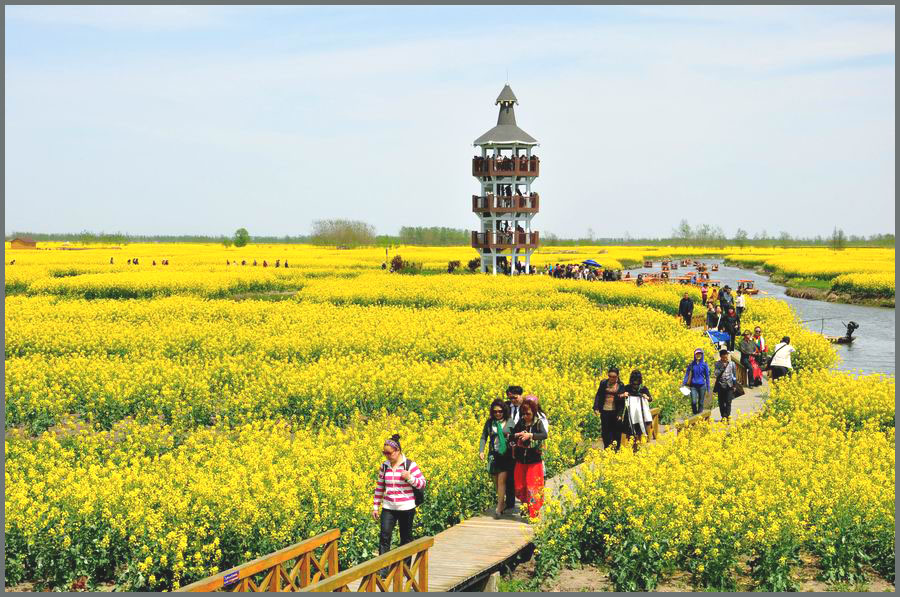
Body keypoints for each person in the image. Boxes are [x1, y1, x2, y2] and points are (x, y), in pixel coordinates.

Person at [372, 434, 426, 571]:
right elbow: (380, 487)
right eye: (384, 453)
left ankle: (405, 569)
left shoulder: (409, 465)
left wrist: (409, 478)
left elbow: (422, 484)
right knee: (384, 537)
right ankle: (383, 570)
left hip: (406, 507)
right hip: (388, 507)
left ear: (397, 451)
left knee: (406, 539)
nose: (386, 456)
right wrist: (375, 506)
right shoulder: (384, 466)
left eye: (389, 453)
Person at [510, 399, 547, 518]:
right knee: (520, 486)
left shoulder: (538, 423)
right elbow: (511, 436)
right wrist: (517, 435)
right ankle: (525, 507)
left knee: (533, 487)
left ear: (534, 412)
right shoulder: (520, 423)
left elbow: (544, 435)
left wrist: (531, 435)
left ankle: (534, 513)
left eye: (528, 414)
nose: (525, 416)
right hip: (521, 460)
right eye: (523, 414)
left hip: (534, 461)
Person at [479, 399, 512, 518]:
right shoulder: (489, 422)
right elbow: (484, 437)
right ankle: (502, 502)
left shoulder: (509, 422)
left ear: (504, 411)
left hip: (505, 454)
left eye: (500, 411)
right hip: (493, 455)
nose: (498, 414)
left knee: (501, 481)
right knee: (496, 481)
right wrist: (481, 451)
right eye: (495, 412)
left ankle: (499, 507)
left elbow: (515, 435)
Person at [593, 367, 625, 450]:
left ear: (617, 376)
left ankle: (616, 450)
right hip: (604, 410)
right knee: (605, 432)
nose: (611, 378)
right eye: (610, 376)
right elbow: (599, 395)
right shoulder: (603, 383)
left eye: (614, 376)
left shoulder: (621, 385)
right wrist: (596, 407)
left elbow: (622, 402)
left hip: (615, 411)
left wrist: (620, 414)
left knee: (616, 432)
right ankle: (607, 449)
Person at [503, 386, 524, 512]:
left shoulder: (527, 407)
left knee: (521, 474)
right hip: (508, 445)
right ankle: (509, 502)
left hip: (522, 446)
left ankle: (524, 504)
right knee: (509, 474)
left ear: (520, 395)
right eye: (510, 398)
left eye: (514, 397)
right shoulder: (505, 407)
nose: (512, 400)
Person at [621, 370, 653, 451]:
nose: (635, 384)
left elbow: (650, 399)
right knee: (629, 432)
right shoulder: (627, 387)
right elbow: (620, 396)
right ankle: (630, 450)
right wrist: (623, 395)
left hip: (640, 415)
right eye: (634, 382)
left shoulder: (643, 388)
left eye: (637, 382)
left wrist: (646, 397)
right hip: (630, 415)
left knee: (639, 433)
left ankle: (637, 450)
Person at [683, 348, 711, 415]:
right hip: (693, 386)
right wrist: (684, 383)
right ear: (694, 355)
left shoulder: (704, 365)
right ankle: (695, 415)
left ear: (702, 355)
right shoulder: (691, 364)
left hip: (702, 386)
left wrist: (708, 388)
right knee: (693, 402)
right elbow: (687, 374)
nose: (698, 355)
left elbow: (707, 376)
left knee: (701, 403)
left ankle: (699, 417)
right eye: (697, 354)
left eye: (700, 354)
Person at [713, 349, 737, 422]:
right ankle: (723, 416)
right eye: (723, 358)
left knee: (728, 401)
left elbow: (734, 375)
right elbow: (716, 374)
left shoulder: (732, 364)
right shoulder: (717, 364)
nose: (725, 359)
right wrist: (722, 368)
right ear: (720, 357)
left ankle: (727, 416)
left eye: (726, 357)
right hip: (721, 385)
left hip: (729, 385)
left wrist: (735, 385)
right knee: (721, 402)